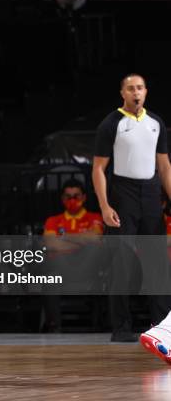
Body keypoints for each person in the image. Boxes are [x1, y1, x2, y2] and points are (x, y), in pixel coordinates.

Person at [92, 73, 171, 343]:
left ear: (146, 92)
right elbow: (98, 168)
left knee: (157, 263)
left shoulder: (155, 123)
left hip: (150, 194)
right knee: (121, 264)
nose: (135, 92)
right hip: (122, 194)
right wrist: (104, 205)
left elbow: (164, 166)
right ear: (122, 93)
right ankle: (122, 328)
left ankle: (162, 328)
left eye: (139, 88)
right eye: (130, 88)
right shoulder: (111, 123)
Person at [42, 178, 103, 332]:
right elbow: (50, 244)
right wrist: (82, 240)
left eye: (76, 196)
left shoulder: (95, 218)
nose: (72, 200)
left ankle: (99, 327)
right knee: (49, 281)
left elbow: (95, 238)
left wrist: (63, 238)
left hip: (89, 269)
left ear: (84, 198)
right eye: (68, 197)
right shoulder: (53, 221)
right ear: (63, 199)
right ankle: (54, 329)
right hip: (61, 270)